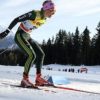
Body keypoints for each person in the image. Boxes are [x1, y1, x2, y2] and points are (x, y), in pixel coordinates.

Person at [0, 0, 56, 88]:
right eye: (52, 11)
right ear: (46, 9)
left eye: (54, 12)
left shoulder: (44, 19)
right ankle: (24, 80)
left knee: (41, 54)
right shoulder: (34, 14)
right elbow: (17, 19)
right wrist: (7, 31)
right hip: (20, 35)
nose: (53, 14)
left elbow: (30, 27)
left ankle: (38, 78)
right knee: (32, 55)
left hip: (27, 36)